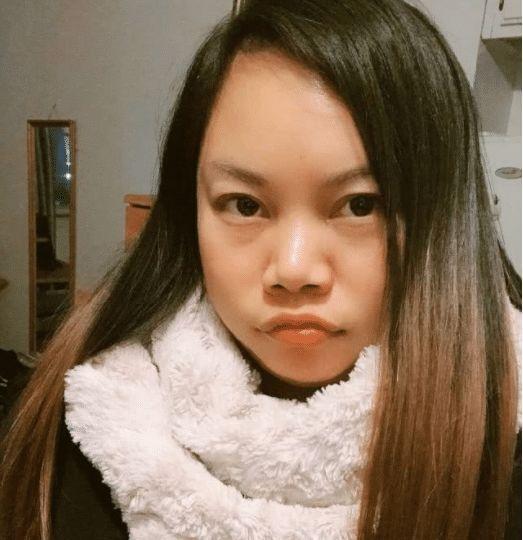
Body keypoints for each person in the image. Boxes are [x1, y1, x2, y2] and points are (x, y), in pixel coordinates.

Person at [1, 0, 521, 538]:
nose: (294, 270)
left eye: (360, 205)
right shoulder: (88, 421)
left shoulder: (505, 447)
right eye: (245, 205)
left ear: (444, 219)